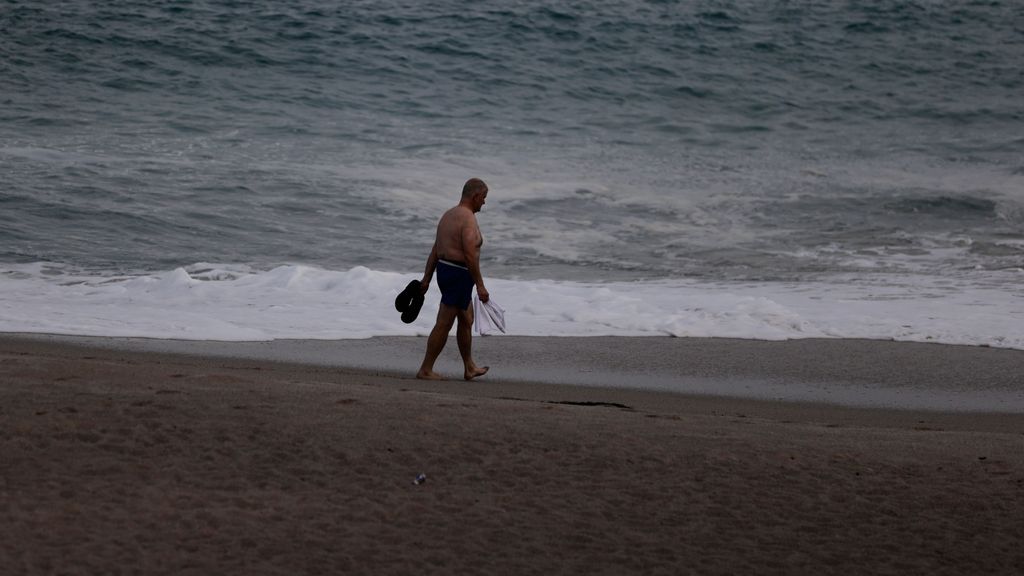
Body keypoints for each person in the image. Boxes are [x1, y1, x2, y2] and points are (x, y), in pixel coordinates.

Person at [416, 178, 491, 381]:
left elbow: (436, 249)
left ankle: (469, 367)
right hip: (458, 274)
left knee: (466, 319)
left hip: (447, 271)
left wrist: (427, 277)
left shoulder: (448, 216)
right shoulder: (467, 219)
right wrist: (481, 286)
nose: (484, 202)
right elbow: (469, 254)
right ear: (475, 196)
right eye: (484, 198)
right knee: (444, 322)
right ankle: (425, 369)